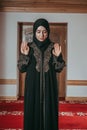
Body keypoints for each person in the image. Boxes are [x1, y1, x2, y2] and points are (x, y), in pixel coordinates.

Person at [17, 18, 65, 130]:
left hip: (49, 87)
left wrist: (58, 57)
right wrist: (24, 55)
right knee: (32, 110)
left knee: (49, 111)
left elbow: (59, 68)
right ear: (34, 32)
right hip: (32, 87)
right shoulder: (29, 47)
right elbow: (21, 68)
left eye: (44, 32)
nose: (41, 35)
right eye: (38, 32)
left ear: (48, 32)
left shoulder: (54, 47)